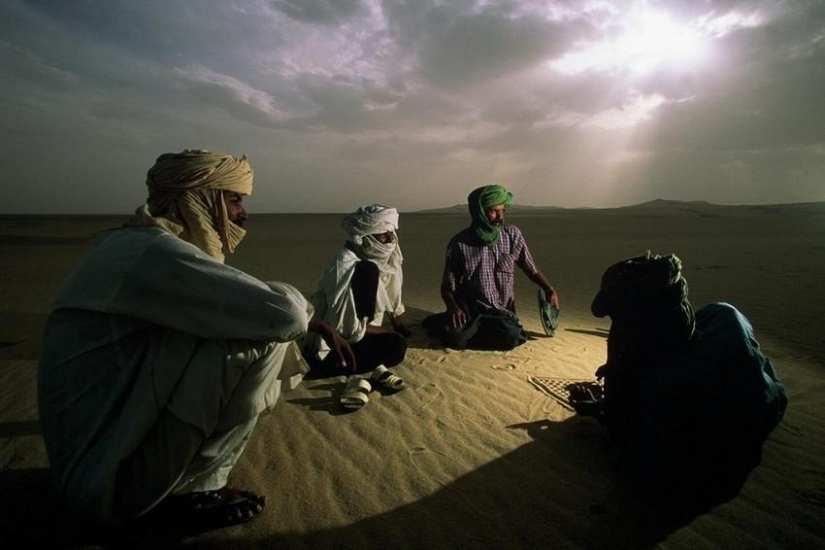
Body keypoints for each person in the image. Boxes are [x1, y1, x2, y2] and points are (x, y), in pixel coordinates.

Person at [37, 149, 355, 529]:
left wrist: (311, 320)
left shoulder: (134, 246)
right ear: (197, 199)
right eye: (234, 199)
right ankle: (196, 490)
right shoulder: (153, 252)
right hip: (107, 485)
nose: (243, 214)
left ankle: (181, 483)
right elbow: (281, 316)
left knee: (248, 325)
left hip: (97, 461)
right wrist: (306, 314)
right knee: (264, 339)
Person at [423, 184, 559, 350]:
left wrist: (549, 289)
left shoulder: (512, 235)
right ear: (479, 212)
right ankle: (449, 323)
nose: (499, 217)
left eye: (503, 211)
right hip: (471, 308)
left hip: (501, 310)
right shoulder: (459, 243)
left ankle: (476, 330)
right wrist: (453, 308)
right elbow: (447, 287)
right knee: (454, 339)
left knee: (513, 338)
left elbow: (530, 268)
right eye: (493, 211)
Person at [303, 204, 408, 380]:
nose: (391, 240)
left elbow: (393, 289)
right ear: (364, 238)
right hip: (336, 342)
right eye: (383, 235)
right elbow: (347, 329)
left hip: (362, 331)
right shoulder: (350, 265)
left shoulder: (385, 258)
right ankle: (325, 368)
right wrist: (388, 331)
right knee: (396, 346)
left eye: (392, 233)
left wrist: (398, 324)